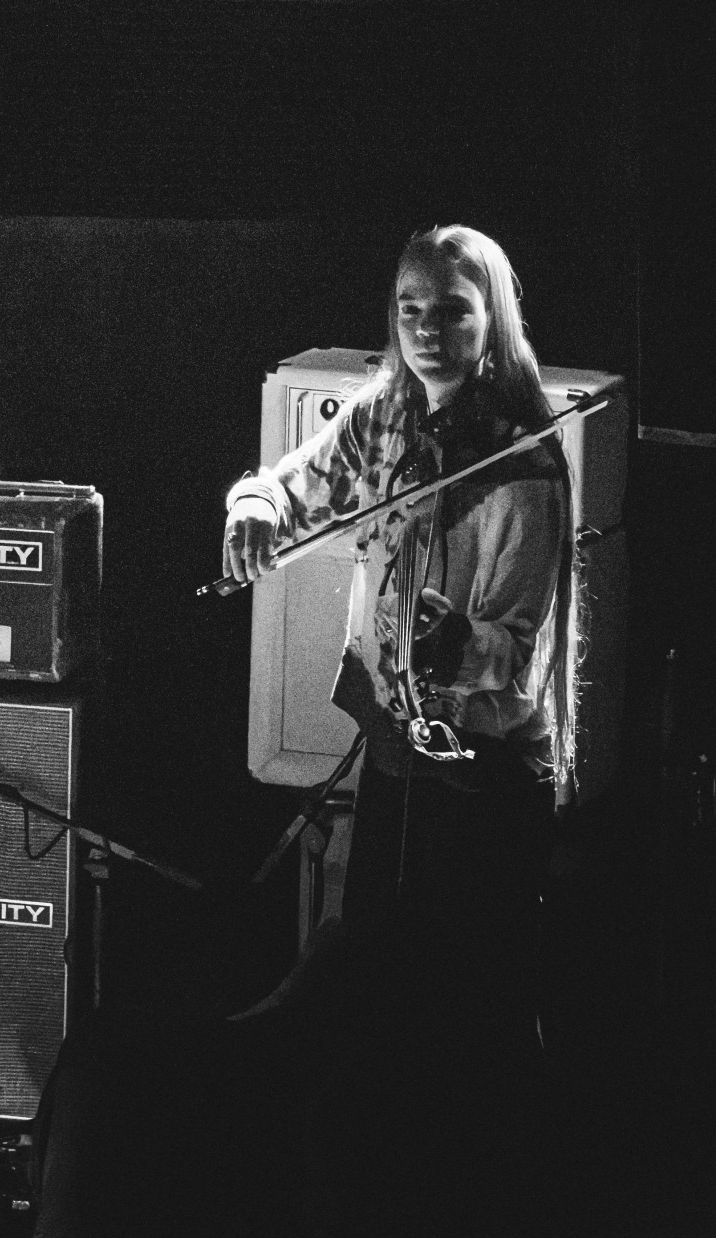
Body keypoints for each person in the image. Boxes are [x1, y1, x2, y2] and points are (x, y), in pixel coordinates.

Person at [222, 224, 574, 1234]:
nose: (426, 329)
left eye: (451, 310)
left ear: (491, 321)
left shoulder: (523, 462)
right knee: (375, 1004)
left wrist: (452, 639)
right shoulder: (386, 417)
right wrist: (254, 508)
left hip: (485, 779)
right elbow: (290, 486)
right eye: (410, 309)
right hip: (397, 755)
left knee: (470, 1028)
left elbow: (520, 663)